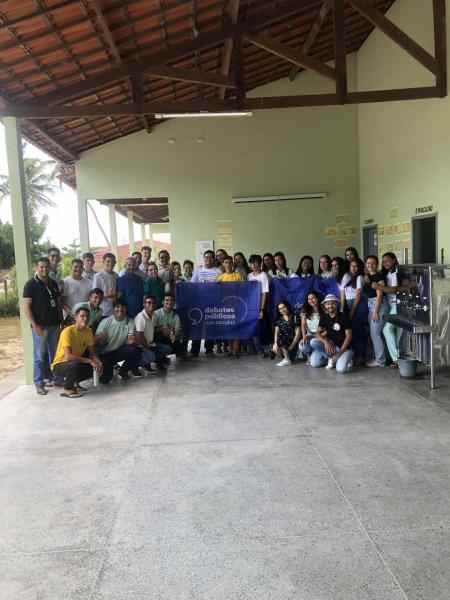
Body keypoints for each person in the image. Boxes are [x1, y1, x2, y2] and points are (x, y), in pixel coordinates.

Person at [23, 256, 62, 395]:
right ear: (37, 268)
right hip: (40, 326)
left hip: (54, 325)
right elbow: (26, 307)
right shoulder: (30, 284)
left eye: (46, 267)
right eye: (41, 267)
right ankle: (39, 383)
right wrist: (34, 325)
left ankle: (57, 378)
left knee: (56, 354)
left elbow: (58, 303)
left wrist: (60, 321)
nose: (44, 269)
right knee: (39, 356)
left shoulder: (53, 283)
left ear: (49, 268)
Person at [51, 306, 103, 398]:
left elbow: (92, 353)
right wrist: (89, 361)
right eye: (82, 316)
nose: (85, 319)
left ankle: (75, 384)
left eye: (87, 316)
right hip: (60, 364)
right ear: (76, 317)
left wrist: (97, 361)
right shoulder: (67, 332)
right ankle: (67, 388)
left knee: (96, 367)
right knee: (75, 365)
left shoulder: (88, 331)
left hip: (74, 362)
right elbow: (68, 357)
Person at [96, 301, 142, 383]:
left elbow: (131, 340)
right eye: (117, 307)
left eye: (123, 307)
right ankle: (107, 369)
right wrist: (101, 340)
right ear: (113, 309)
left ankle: (123, 371)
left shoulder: (130, 321)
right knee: (105, 380)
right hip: (104, 354)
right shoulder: (105, 321)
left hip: (117, 352)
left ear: (126, 309)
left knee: (135, 351)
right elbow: (98, 341)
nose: (120, 309)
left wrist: (132, 339)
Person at [310, 294, 353, 373]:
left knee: (340, 370)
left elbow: (349, 336)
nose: (330, 306)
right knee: (314, 359)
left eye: (333, 303)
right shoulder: (324, 317)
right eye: (328, 304)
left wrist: (339, 353)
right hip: (331, 346)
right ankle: (331, 358)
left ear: (337, 304)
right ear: (325, 305)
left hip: (343, 348)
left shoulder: (344, 317)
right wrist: (325, 342)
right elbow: (317, 333)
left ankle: (342, 359)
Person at [378, 252, 407, 369]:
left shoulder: (401, 272)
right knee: (395, 332)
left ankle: (397, 359)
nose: (385, 263)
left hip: (399, 305)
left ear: (394, 260)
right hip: (388, 305)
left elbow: (401, 289)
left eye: (387, 260)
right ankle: (399, 358)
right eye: (383, 261)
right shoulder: (385, 274)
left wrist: (381, 288)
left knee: (387, 329)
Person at [190, 250, 221, 356]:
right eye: (206, 257)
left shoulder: (218, 271)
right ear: (203, 258)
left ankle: (209, 349)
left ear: (213, 259)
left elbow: (222, 287)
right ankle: (194, 350)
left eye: (210, 257)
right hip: (199, 303)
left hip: (212, 303)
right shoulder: (198, 271)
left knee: (210, 326)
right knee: (197, 325)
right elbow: (192, 286)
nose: (207, 259)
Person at [340, 259, 368, 365]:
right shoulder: (346, 276)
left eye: (356, 266)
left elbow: (358, 295)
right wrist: (342, 308)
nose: (354, 268)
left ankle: (361, 356)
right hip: (347, 303)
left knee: (357, 330)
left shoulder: (360, 277)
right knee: (349, 330)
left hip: (358, 304)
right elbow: (342, 293)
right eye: (352, 266)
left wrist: (352, 310)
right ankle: (354, 355)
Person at [134, 295, 171, 371]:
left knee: (167, 349)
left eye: (153, 303)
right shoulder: (141, 317)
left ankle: (150, 362)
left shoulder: (154, 315)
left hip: (150, 343)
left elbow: (153, 328)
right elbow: (139, 336)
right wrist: (147, 348)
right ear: (144, 304)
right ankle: (133, 366)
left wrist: (163, 327)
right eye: (149, 302)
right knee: (151, 356)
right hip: (140, 346)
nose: (151, 305)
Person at [218, 256, 244, 358]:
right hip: (225, 306)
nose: (228, 264)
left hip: (237, 305)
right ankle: (230, 349)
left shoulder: (238, 276)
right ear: (223, 264)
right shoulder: (220, 277)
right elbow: (215, 291)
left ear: (233, 264)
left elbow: (244, 289)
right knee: (228, 328)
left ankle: (236, 350)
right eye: (226, 262)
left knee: (236, 328)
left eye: (230, 262)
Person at [364, 255, 387, 368]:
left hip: (378, 305)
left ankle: (380, 361)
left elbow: (380, 295)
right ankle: (381, 357)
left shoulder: (379, 277)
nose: (370, 265)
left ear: (377, 264)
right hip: (371, 305)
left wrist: (375, 311)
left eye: (373, 263)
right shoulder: (368, 276)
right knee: (375, 333)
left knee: (375, 334)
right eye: (368, 263)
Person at [248, 254, 271, 357]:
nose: (254, 265)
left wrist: (261, 309)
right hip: (250, 306)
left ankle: (260, 350)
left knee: (258, 328)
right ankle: (254, 349)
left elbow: (264, 293)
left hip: (260, 306)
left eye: (256, 262)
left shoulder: (263, 275)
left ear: (260, 263)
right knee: (252, 327)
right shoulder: (249, 276)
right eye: (252, 263)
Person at [272, 301, 300, 366]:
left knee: (282, 339)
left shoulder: (295, 317)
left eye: (284, 307)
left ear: (287, 307)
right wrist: (275, 343)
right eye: (280, 309)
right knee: (276, 346)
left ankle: (287, 359)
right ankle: (285, 357)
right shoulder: (278, 320)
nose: (282, 310)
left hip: (294, 342)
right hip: (283, 343)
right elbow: (276, 333)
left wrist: (292, 346)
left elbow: (298, 334)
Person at [298, 291, 322, 362]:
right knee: (302, 345)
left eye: (313, 298)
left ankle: (318, 352)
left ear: (317, 298)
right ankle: (309, 355)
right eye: (309, 299)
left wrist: (320, 335)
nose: (311, 300)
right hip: (310, 334)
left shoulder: (323, 308)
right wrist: (304, 336)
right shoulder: (305, 310)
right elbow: (303, 325)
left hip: (321, 334)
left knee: (313, 342)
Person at [93, 252, 118, 317]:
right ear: (103, 262)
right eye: (108, 261)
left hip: (115, 310)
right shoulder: (98, 276)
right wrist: (108, 295)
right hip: (103, 311)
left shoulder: (116, 275)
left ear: (115, 263)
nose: (110, 264)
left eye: (113, 262)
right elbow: (95, 296)